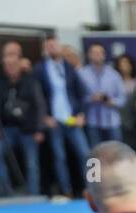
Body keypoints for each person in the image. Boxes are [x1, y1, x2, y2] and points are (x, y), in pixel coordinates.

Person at [0, 40, 46, 196]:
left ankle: (33, 193)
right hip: (8, 129)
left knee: (31, 163)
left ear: (20, 65)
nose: (10, 68)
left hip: (29, 129)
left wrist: (40, 129)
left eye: (13, 65)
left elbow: (40, 106)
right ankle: (6, 191)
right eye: (7, 66)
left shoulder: (31, 82)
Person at [36, 38, 90, 199]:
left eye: (54, 45)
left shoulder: (69, 68)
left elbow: (81, 93)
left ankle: (94, 188)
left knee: (86, 154)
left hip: (72, 119)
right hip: (54, 121)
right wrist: (44, 116)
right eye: (49, 46)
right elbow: (36, 97)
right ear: (45, 49)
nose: (52, 48)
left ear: (59, 47)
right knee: (59, 157)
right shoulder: (39, 69)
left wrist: (81, 114)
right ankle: (66, 191)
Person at [79, 43, 126, 146]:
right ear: (88, 55)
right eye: (94, 52)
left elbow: (122, 99)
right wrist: (91, 99)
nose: (97, 55)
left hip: (112, 121)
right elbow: (77, 98)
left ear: (104, 55)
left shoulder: (114, 75)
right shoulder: (81, 74)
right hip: (92, 121)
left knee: (116, 153)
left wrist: (112, 101)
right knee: (95, 155)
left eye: (100, 52)